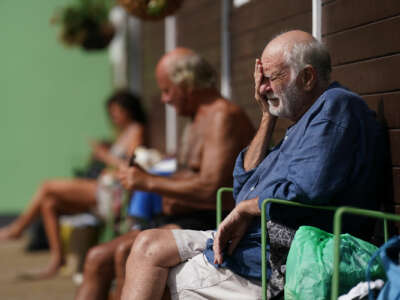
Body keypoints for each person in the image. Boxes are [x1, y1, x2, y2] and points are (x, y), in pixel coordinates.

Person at [120, 30, 388, 300]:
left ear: (307, 77)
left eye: (271, 78)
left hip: (277, 256)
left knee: (159, 276)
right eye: (262, 80)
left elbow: (307, 189)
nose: (262, 88)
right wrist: (266, 117)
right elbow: (244, 183)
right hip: (249, 243)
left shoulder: (334, 107)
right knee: (146, 245)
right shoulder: (300, 123)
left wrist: (247, 209)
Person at [74, 48, 255, 300]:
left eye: (167, 90)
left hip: (211, 221)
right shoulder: (197, 118)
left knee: (125, 251)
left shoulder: (222, 116)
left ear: (187, 84)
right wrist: (150, 177)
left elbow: (210, 188)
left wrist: (148, 182)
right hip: (181, 218)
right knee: (95, 258)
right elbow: (190, 175)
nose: (164, 99)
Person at [0, 90, 146, 279]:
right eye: (111, 112)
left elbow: (132, 165)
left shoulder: (137, 130)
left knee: (47, 186)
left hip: (111, 192)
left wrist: (104, 156)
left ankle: (17, 229)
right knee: (49, 203)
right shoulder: (124, 132)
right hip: (104, 187)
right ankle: (57, 260)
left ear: (129, 110)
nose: (114, 116)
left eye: (117, 111)